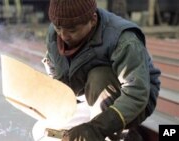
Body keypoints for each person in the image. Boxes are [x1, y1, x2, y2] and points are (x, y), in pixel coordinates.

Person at [41, 0, 161, 141]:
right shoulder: (57, 31)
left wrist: (95, 128)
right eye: (58, 28)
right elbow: (55, 65)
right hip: (87, 93)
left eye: (72, 30)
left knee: (99, 77)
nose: (63, 36)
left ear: (93, 20)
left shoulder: (124, 41)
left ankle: (122, 136)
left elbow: (137, 93)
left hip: (135, 99)